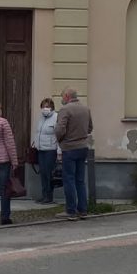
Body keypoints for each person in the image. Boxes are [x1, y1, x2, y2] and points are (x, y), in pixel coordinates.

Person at [55, 87, 93, 220]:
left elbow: (60, 129)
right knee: (80, 180)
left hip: (69, 148)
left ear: (66, 96)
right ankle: (83, 210)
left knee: (69, 179)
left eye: (62, 96)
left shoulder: (65, 110)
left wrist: (60, 139)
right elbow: (90, 128)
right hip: (83, 147)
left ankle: (71, 210)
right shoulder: (86, 109)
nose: (62, 99)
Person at [33, 96, 59, 204]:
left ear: (52, 107)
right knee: (43, 173)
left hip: (50, 150)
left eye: (47, 106)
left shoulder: (56, 117)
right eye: (43, 106)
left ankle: (49, 196)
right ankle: (44, 195)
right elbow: (38, 133)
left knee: (49, 174)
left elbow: (59, 135)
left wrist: (59, 151)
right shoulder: (41, 118)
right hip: (41, 149)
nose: (45, 109)